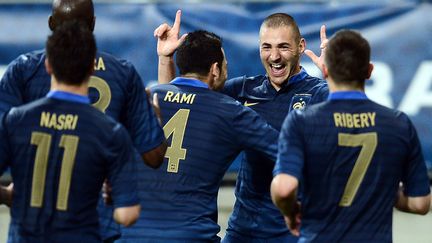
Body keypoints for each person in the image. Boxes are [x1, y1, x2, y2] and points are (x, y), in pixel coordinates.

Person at [0, 0, 167, 241]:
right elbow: (154, 156)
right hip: (95, 230)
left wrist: (9, 196)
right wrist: (156, 120)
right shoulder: (120, 87)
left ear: (48, 66)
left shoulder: (22, 84)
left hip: (29, 230)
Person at [155, 11, 328, 242]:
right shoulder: (243, 90)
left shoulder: (320, 92)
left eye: (283, 47)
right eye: (267, 47)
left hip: (293, 226)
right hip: (243, 227)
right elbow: (176, 103)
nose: (274, 56)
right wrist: (166, 58)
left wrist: (333, 77)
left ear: (301, 46)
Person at [118, 30, 280, 242]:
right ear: (215, 69)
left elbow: (172, 103)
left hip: (128, 233)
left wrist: (164, 59)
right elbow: (288, 152)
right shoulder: (232, 113)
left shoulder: (143, 100)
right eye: (225, 67)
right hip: (191, 236)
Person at [271, 29, 431, 242]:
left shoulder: (301, 122)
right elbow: (420, 203)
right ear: (370, 71)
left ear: (325, 70)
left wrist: (291, 214)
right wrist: (380, 190)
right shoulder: (399, 124)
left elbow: (283, 190)